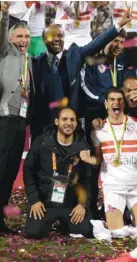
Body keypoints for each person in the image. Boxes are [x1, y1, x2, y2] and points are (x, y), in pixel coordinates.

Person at [82, 88, 137, 237]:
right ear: (106, 104)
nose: (116, 103)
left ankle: (128, 219)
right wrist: (89, 159)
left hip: (136, 186)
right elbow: (98, 158)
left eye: (119, 100)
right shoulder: (98, 130)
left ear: (124, 104)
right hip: (113, 187)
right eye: (112, 99)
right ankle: (111, 222)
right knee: (116, 232)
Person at [31, 9, 133, 138]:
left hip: (71, 123)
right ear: (44, 40)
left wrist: (118, 25)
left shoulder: (74, 55)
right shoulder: (35, 62)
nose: (57, 39)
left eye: (60, 36)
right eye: (52, 36)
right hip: (44, 124)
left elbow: (96, 44)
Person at [24, 107, 92, 239]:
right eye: (64, 119)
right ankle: (58, 221)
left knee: (85, 231)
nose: (68, 123)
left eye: (72, 120)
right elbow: (28, 171)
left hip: (70, 205)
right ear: (56, 121)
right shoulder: (41, 142)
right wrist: (35, 200)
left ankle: (65, 224)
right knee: (34, 232)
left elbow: (87, 180)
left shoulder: (83, 148)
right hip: (45, 203)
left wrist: (82, 205)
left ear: (76, 124)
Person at [0, 2, 34, 234]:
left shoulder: (30, 60)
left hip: (21, 122)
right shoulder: (4, 52)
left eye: (27, 36)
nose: (23, 40)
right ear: (11, 39)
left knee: (11, 171)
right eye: (19, 36)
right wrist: (3, 15)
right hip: (5, 119)